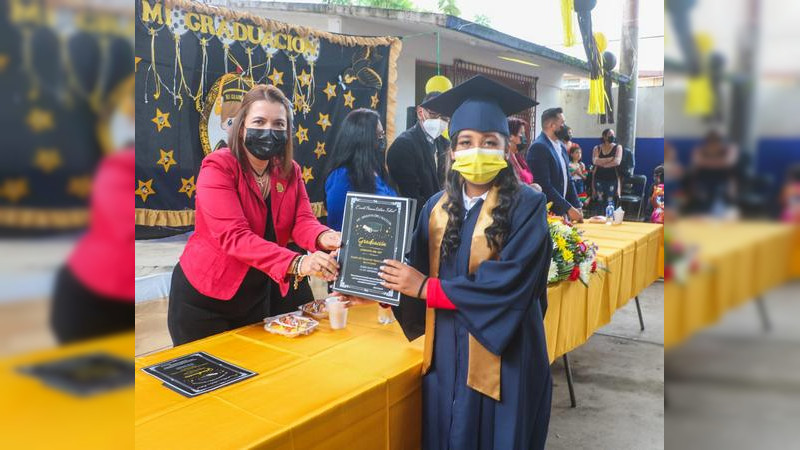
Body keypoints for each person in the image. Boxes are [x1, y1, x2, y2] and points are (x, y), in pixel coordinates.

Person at [343, 75, 553, 449]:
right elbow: (410, 271)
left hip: (505, 358)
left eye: (490, 142)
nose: (477, 150)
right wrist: (374, 287)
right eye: (466, 142)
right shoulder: (435, 208)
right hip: (447, 353)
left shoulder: (528, 206)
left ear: (506, 150)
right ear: (452, 150)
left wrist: (425, 287)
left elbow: (507, 286)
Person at [167, 84, 342, 346]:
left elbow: (301, 220)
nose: (269, 130)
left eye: (278, 124)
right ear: (241, 126)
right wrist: (298, 263)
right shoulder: (218, 166)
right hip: (206, 298)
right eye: (259, 121)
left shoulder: (289, 170)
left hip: (255, 295)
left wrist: (326, 237)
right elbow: (234, 236)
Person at [325, 108, 397, 231]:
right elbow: (339, 224)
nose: (382, 139)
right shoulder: (342, 177)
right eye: (378, 135)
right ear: (362, 139)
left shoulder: (376, 170)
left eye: (382, 134)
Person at [387, 92, 450, 219]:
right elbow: (410, 196)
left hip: (445, 218)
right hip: (417, 222)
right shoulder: (403, 145)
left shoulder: (446, 144)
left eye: (444, 117)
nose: (439, 121)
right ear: (420, 112)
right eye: (433, 114)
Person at [527, 107, 583, 222]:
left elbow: (568, 179)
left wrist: (577, 205)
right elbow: (544, 185)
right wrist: (568, 208)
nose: (565, 127)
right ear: (552, 126)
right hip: (547, 213)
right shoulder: (539, 147)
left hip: (562, 212)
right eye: (562, 123)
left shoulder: (561, 146)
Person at [591, 128, 622, 214]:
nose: (612, 136)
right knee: (599, 200)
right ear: (604, 136)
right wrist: (610, 159)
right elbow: (594, 161)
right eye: (610, 134)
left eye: (613, 134)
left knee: (610, 200)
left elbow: (617, 162)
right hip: (599, 178)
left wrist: (602, 163)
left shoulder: (618, 147)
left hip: (612, 179)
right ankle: (599, 218)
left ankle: (610, 219)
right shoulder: (597, 148)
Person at [507, 117, 533, 184]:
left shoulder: (517, 157)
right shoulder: (506, 159)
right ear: (511, 137)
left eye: (524, 133)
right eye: (521, 133)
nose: (524, 137)